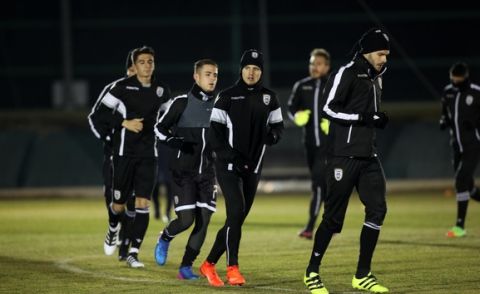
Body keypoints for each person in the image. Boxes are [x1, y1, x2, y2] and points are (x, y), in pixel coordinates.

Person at [303, 28, 390, 294]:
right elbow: (328, 109)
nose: (384, 59)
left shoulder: (377, 77)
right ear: (366, 51)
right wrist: (365, 118)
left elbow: (368, 114)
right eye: (380, 54)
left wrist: (376, 119)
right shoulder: (348, 72)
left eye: (386, 54)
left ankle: (362, 274)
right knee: (333, 219)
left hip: (369, 156)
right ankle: (312, 273)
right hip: (343, 156)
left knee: (378, 210)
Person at [199, 49, 284, 287]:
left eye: (256, 69)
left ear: (261, 72)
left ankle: (208, 264)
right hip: (228, 166)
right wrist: (231, 156)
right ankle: (232, 268)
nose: (251, 72)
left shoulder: (270, 97)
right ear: (241, 70)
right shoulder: (226, 96)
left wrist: (273, 136)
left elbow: (278, 126)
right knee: (235, 213)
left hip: (253, 167)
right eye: (247, 68)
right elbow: (214, 133)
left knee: (235, 220)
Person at [89, 46, 170, 268]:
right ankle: (113, 227)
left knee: (142, 203)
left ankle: (132, 251)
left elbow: (171, 115)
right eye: (140, 62)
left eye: (150, 61)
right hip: (120, 155)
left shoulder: (162, 90)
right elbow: (97, 117)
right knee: (118, 204)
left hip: (148, 156)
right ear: (132, 66)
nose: (145, 66)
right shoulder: (119, 88)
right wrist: (119, 127)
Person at [153, 59, 219, 280]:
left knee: (204, 219)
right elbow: (159, 129)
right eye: (208, 74)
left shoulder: (220, 105)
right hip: (183, 173)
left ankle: (185, 267)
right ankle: (165, 237)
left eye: (215, 75)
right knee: (186, 220)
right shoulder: (181, 102)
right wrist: (174, 141)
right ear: (196, 77)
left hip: (208, 174)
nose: (212, 79)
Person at [87, 49, 137, 261]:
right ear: (129, 69)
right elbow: (95, 117)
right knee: (113, 197)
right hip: (114, 155)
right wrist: (108, 138)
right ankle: (114, 227)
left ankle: (126, 245)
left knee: (135, 201)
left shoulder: (153, 92)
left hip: (139, 156)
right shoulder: (114, 90)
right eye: (136, 67)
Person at [288, 48, 331, 239]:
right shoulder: (301, 85)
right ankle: (330, 224)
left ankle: (310, 228)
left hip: (330, 145)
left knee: (318, 185)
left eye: (319, 64)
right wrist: (296, 116)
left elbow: (346, 108)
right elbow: (290, 107)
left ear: (327, 66)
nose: (315, 67)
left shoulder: (333, 85)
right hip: (310, 145)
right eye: (312, 63)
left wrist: (334, 123)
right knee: (324, 185)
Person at [440, 62, 480, 238]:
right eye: (453, 80)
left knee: (460, 181)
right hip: (456, 146)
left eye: (459, 80)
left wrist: (475, 124)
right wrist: (443, 121)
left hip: (473, 145)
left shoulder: (476, 92)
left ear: (466, 77)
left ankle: (460, 226)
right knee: (469, 188)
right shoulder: (448, 91)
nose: (456, 83)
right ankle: (461, 224)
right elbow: (445, 113)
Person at [152, 141, 174, 223]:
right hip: (158, 160)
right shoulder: (157, 132)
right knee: (154, 188)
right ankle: (157, 209)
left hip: (169, 162)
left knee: (170, 189)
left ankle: (167, 213)